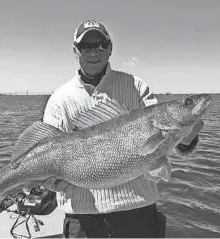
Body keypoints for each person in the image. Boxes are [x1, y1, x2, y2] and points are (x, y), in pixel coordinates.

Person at [41, 20, 203, 238]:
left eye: (100, 45)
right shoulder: (60, 99)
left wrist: (187, 137)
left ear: (110, 49)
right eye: (85, 46)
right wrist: (49, 181)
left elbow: (169, 147)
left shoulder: (135, 86)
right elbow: (47, 153)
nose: (93, 52)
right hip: (83, 221)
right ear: (75, 51)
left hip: (138, 215)